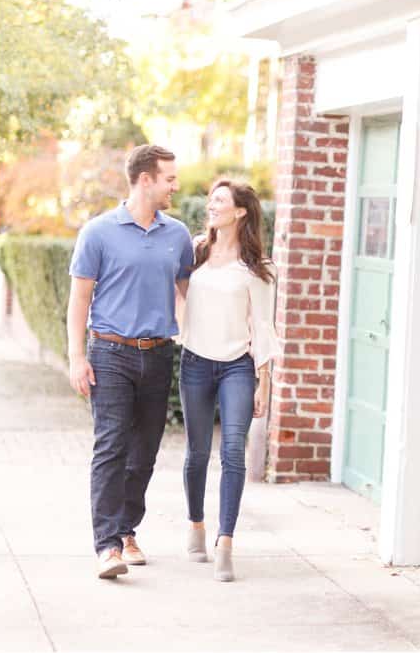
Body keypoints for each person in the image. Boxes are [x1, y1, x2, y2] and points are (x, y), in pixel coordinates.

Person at [68, 144, 194, 579]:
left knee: (143, 452)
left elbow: (188, 295)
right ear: (146, 180)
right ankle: (107, 545)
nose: (175, 186)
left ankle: (126, 531)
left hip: (158, 354)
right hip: (110, 353)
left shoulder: (176, 234)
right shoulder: (98, 232)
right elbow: (79, 299)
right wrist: (77, 357)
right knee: (111, 447)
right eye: (170, 178)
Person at [177, 178, 280, 581]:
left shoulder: (258, 268)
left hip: (238, 366)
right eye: (211, 200)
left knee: (232, 451)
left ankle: (225, 542)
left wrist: (263, 383)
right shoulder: (196, 251)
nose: (212, 205)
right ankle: (196, 525)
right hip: (195, 363)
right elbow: (176, 291)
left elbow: (264, 326)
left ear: (240, 211)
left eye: (221, 200)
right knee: (197, 453)